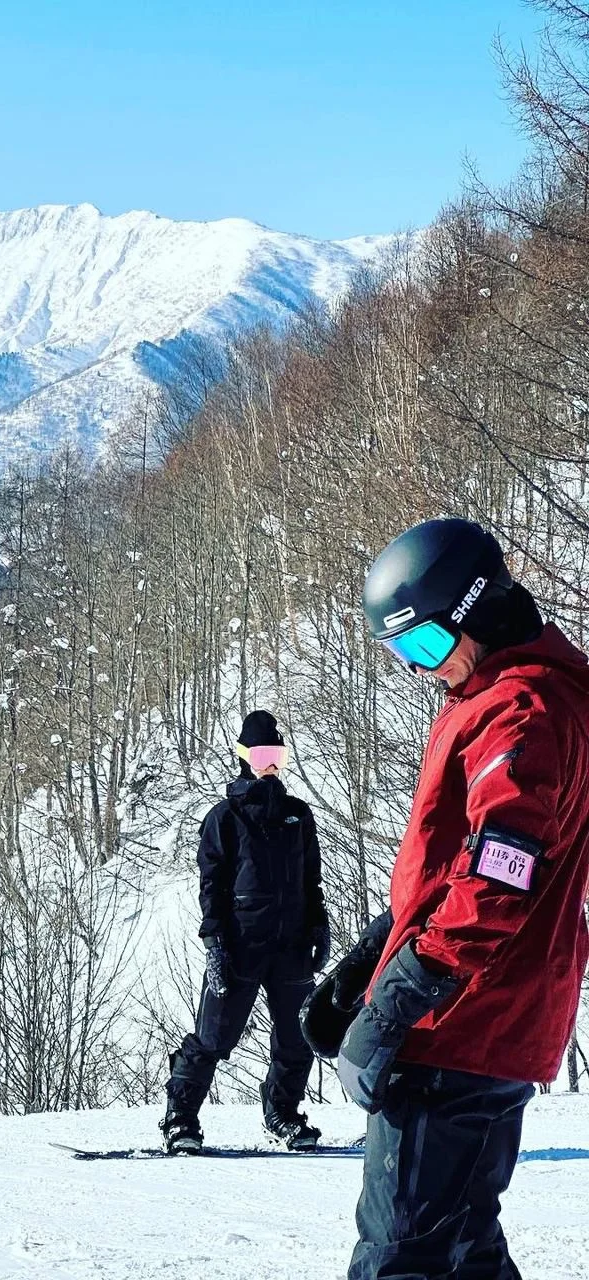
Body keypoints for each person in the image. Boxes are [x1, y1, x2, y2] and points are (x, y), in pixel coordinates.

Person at [317, 518, 589, 1279]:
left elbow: (500, 878)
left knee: (403, 1256)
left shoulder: (521, 714)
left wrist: (400, 996)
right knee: (464, 1246)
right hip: (491, 1019)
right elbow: (461, 865)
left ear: (479, 611)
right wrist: (376, 954)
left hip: (460, 1023)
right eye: (404, 657)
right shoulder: (507, 696)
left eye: (428, 648)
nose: (422, 672)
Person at [161, 710, 332, 1154]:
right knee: (214, 1036)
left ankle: (283, 1114)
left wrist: (318, 925)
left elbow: (310, 878)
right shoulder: (225, 817)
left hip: (291, 944)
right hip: (240, 945)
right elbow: (211, 885)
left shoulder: (298, 815)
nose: (270, 762)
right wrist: (215, 943)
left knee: (297, 1036)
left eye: (276, 753)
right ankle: (181, 1120)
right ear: (243, 756)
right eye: (261, 753)